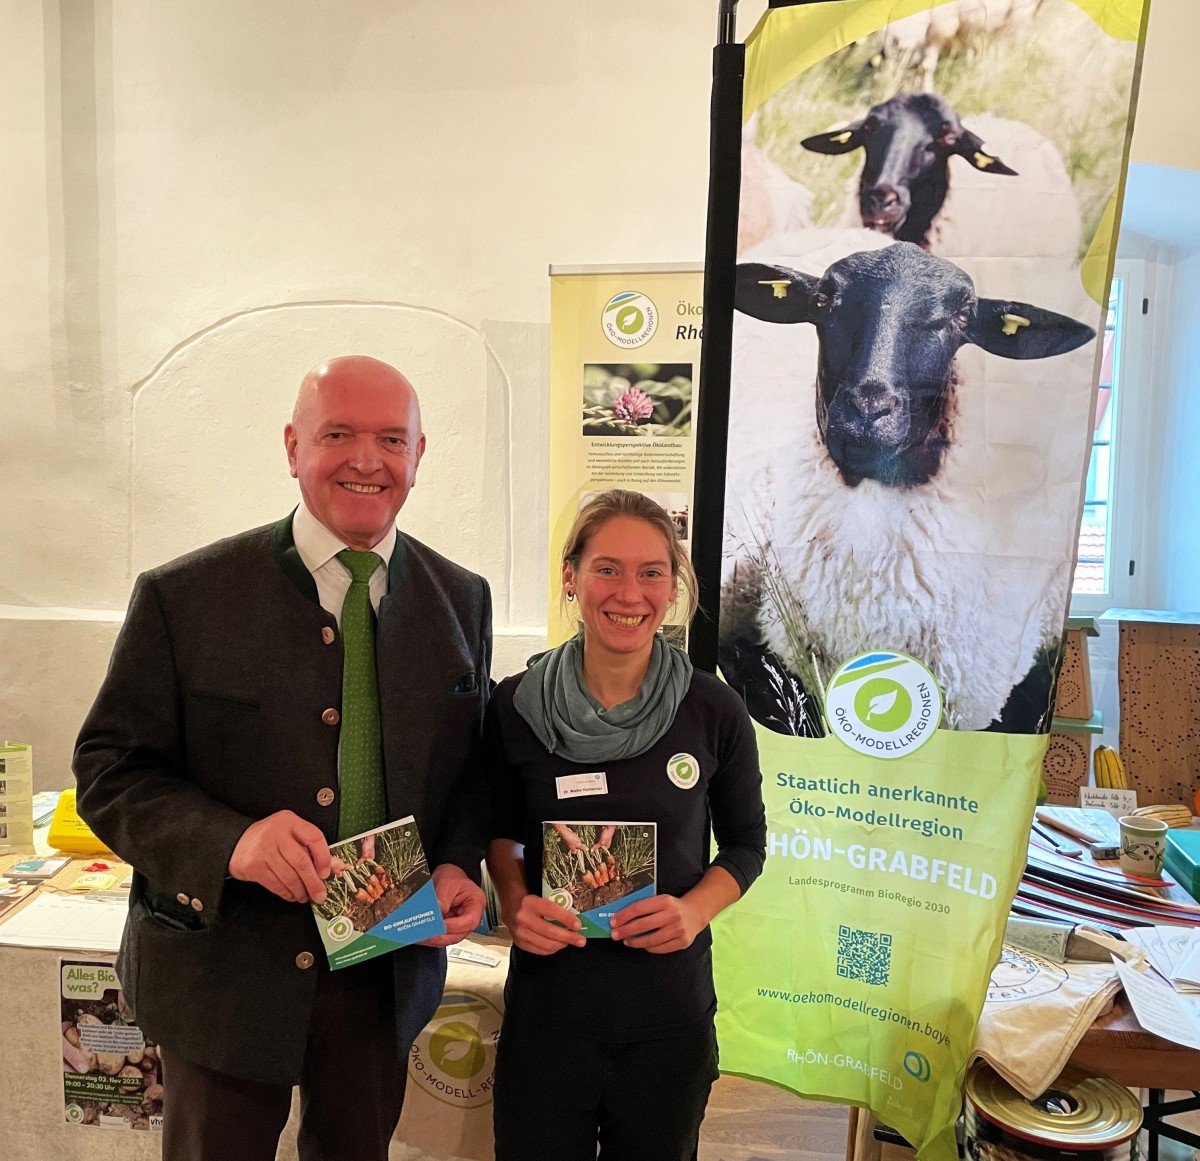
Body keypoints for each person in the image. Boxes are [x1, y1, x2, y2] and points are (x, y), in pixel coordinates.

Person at [73, 355, 492, 1161]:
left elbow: (470, 770)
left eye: (390, 439)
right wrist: (234, 841)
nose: (367, 459)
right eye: (338, 434)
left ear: (419, 455)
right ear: (293, 446)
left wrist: (458, 862)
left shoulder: (460, 596)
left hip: (381, 974)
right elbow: (109, 768)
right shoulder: (185, 595)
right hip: (224, 976)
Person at [484, 489, 767, 1161]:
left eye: (651, 572)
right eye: (607, 568)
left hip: (668, 1018)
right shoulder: (515, 706)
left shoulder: (714, 710)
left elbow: (747, 846)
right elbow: (501, 831)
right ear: (571, 576)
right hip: (549, 1016)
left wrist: (694, 911)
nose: (628, 592)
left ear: (673, 587)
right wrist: (517, 902)